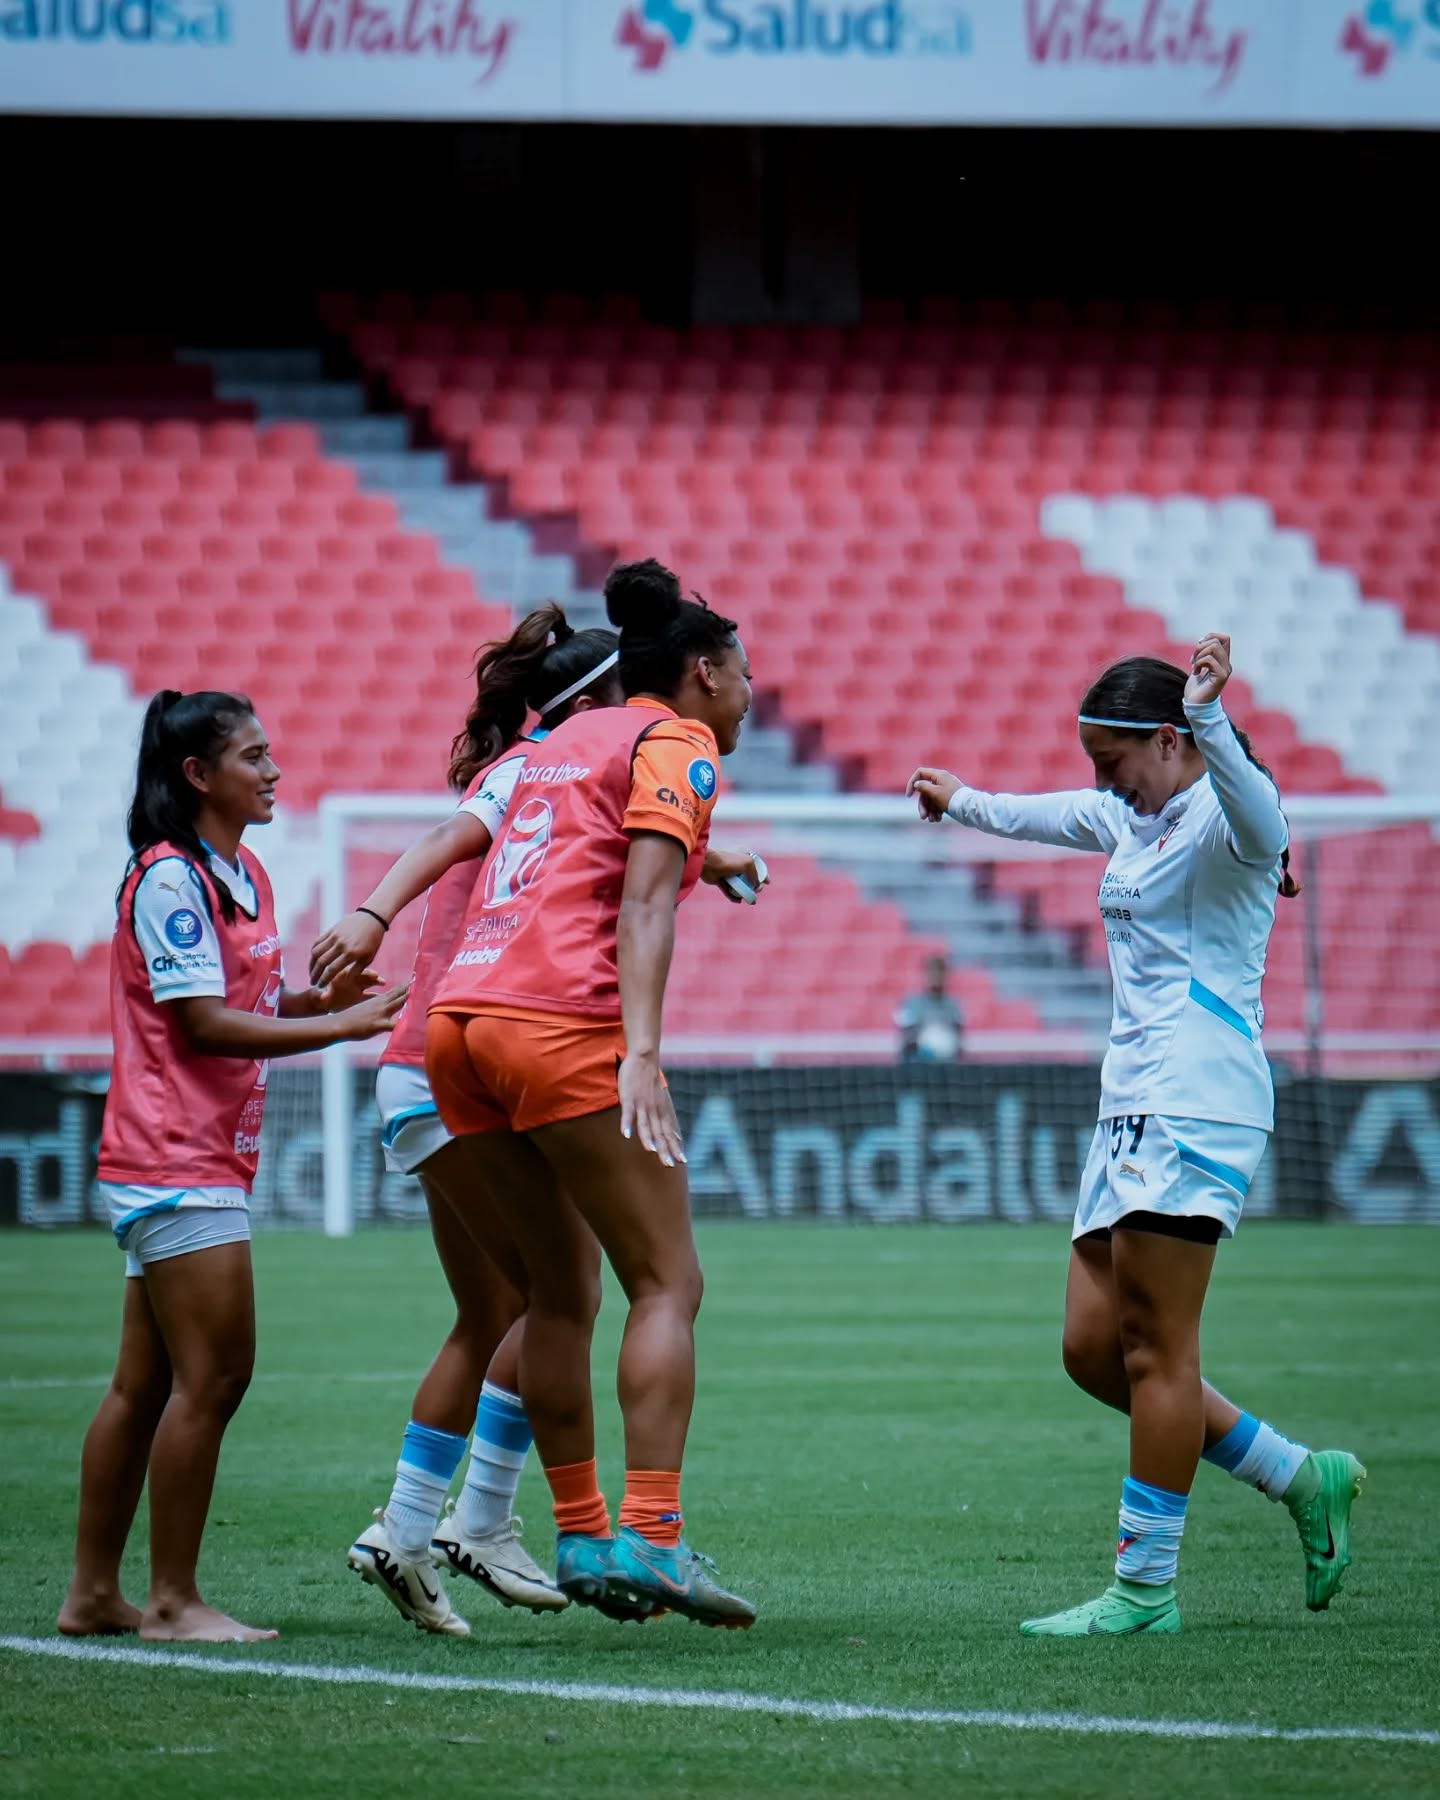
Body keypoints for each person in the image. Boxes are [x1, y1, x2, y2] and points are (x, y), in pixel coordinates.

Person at [909, 636, 1365, 1638]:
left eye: (1112, 761)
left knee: (1160, 1349)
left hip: (1199, 1097)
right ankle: (1300, 1475)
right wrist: (965, 800)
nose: (1102, 782)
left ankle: (1146, 1588)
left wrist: (1209, 714)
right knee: (1091, 1349)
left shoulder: (1231, 821)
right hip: (1130, 1100)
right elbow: (1048, 814)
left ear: (1168, 739)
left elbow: (1261, 808)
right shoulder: (1134, 814)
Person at [422, 558, 761, 1630]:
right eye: (744, 675)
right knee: (667, 1281)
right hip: (560, 1024)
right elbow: (643, 903)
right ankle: (652, 1537)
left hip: (460, 1021)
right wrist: (642, 1054)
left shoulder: (557, 741)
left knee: (559, 1295)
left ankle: (579, 1534)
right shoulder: (676, 741)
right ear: (703, 671)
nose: (748, 696)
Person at [57, 690, 405, 1645]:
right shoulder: (169, 879)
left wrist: (314, 1001)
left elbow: (244, 997)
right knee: (214, 1379)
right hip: (175, 1155)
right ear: (197, 775)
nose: (273, 771)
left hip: (195, 1155)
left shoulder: (242, 872)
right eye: (253, 756)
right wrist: (341, 1028)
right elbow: (202, 1025)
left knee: (144, 1385)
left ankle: (93, 1596)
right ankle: (174, 1601)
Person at [311, 607, 625, 1636]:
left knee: (498, 1311)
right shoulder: (551, 768)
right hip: (465, 1068)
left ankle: (408, 1530)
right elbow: (459, 838)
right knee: (567, 1292)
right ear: (605, 702)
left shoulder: (539, 770)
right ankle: (479, 1519)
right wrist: (373, 913)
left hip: (424, 1070)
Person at [896, 953, 963, 1063]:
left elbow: (958, 1039)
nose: (936, 976)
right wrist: (925, 1041)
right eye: (932, 971)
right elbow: (906, 1037)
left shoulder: (954, 1005)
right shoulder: (911, 1004)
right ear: (925, 974)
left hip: (946, 1065)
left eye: (940, 971)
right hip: (918, 1065)